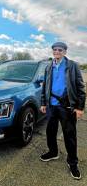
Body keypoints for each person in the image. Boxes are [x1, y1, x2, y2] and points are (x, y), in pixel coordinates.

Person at [40, 42, 86, 180]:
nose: (57, 52)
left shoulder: (72, 65)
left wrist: (79, 107)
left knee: (69, 136)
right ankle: (53, 152)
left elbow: (80, 88)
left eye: (60, 50)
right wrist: (43, 103)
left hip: (67, 106)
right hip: (52, 106)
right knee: (50, 131)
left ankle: (73, 163)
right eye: (55, 50)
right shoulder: (49, 66)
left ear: (65, 52)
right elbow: (45, 86)